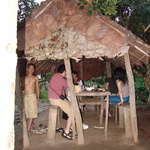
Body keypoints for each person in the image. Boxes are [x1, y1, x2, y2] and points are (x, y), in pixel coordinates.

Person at [48, 64, 73, 140]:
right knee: (72, 113)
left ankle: (71, 127)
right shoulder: (59, 77)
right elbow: (69, 85)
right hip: (55, 99)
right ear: (64, 71)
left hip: (56, 98)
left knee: (73, 106)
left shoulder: (56, 76)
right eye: (66, 72)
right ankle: (66, 132)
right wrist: (68, 77)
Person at [22, 63, 40, 132]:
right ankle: (31, 124)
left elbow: (37, 89)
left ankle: (28, 128)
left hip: (32, 96)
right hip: (26, 97)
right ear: (27, 69)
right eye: (30, 69)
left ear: (34, 70)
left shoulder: (35, 78)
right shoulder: (24, 78)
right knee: (27, 112)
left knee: (32, 112)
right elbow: (23, 88)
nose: (31, 70)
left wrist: (38, 98)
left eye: (32, 69)